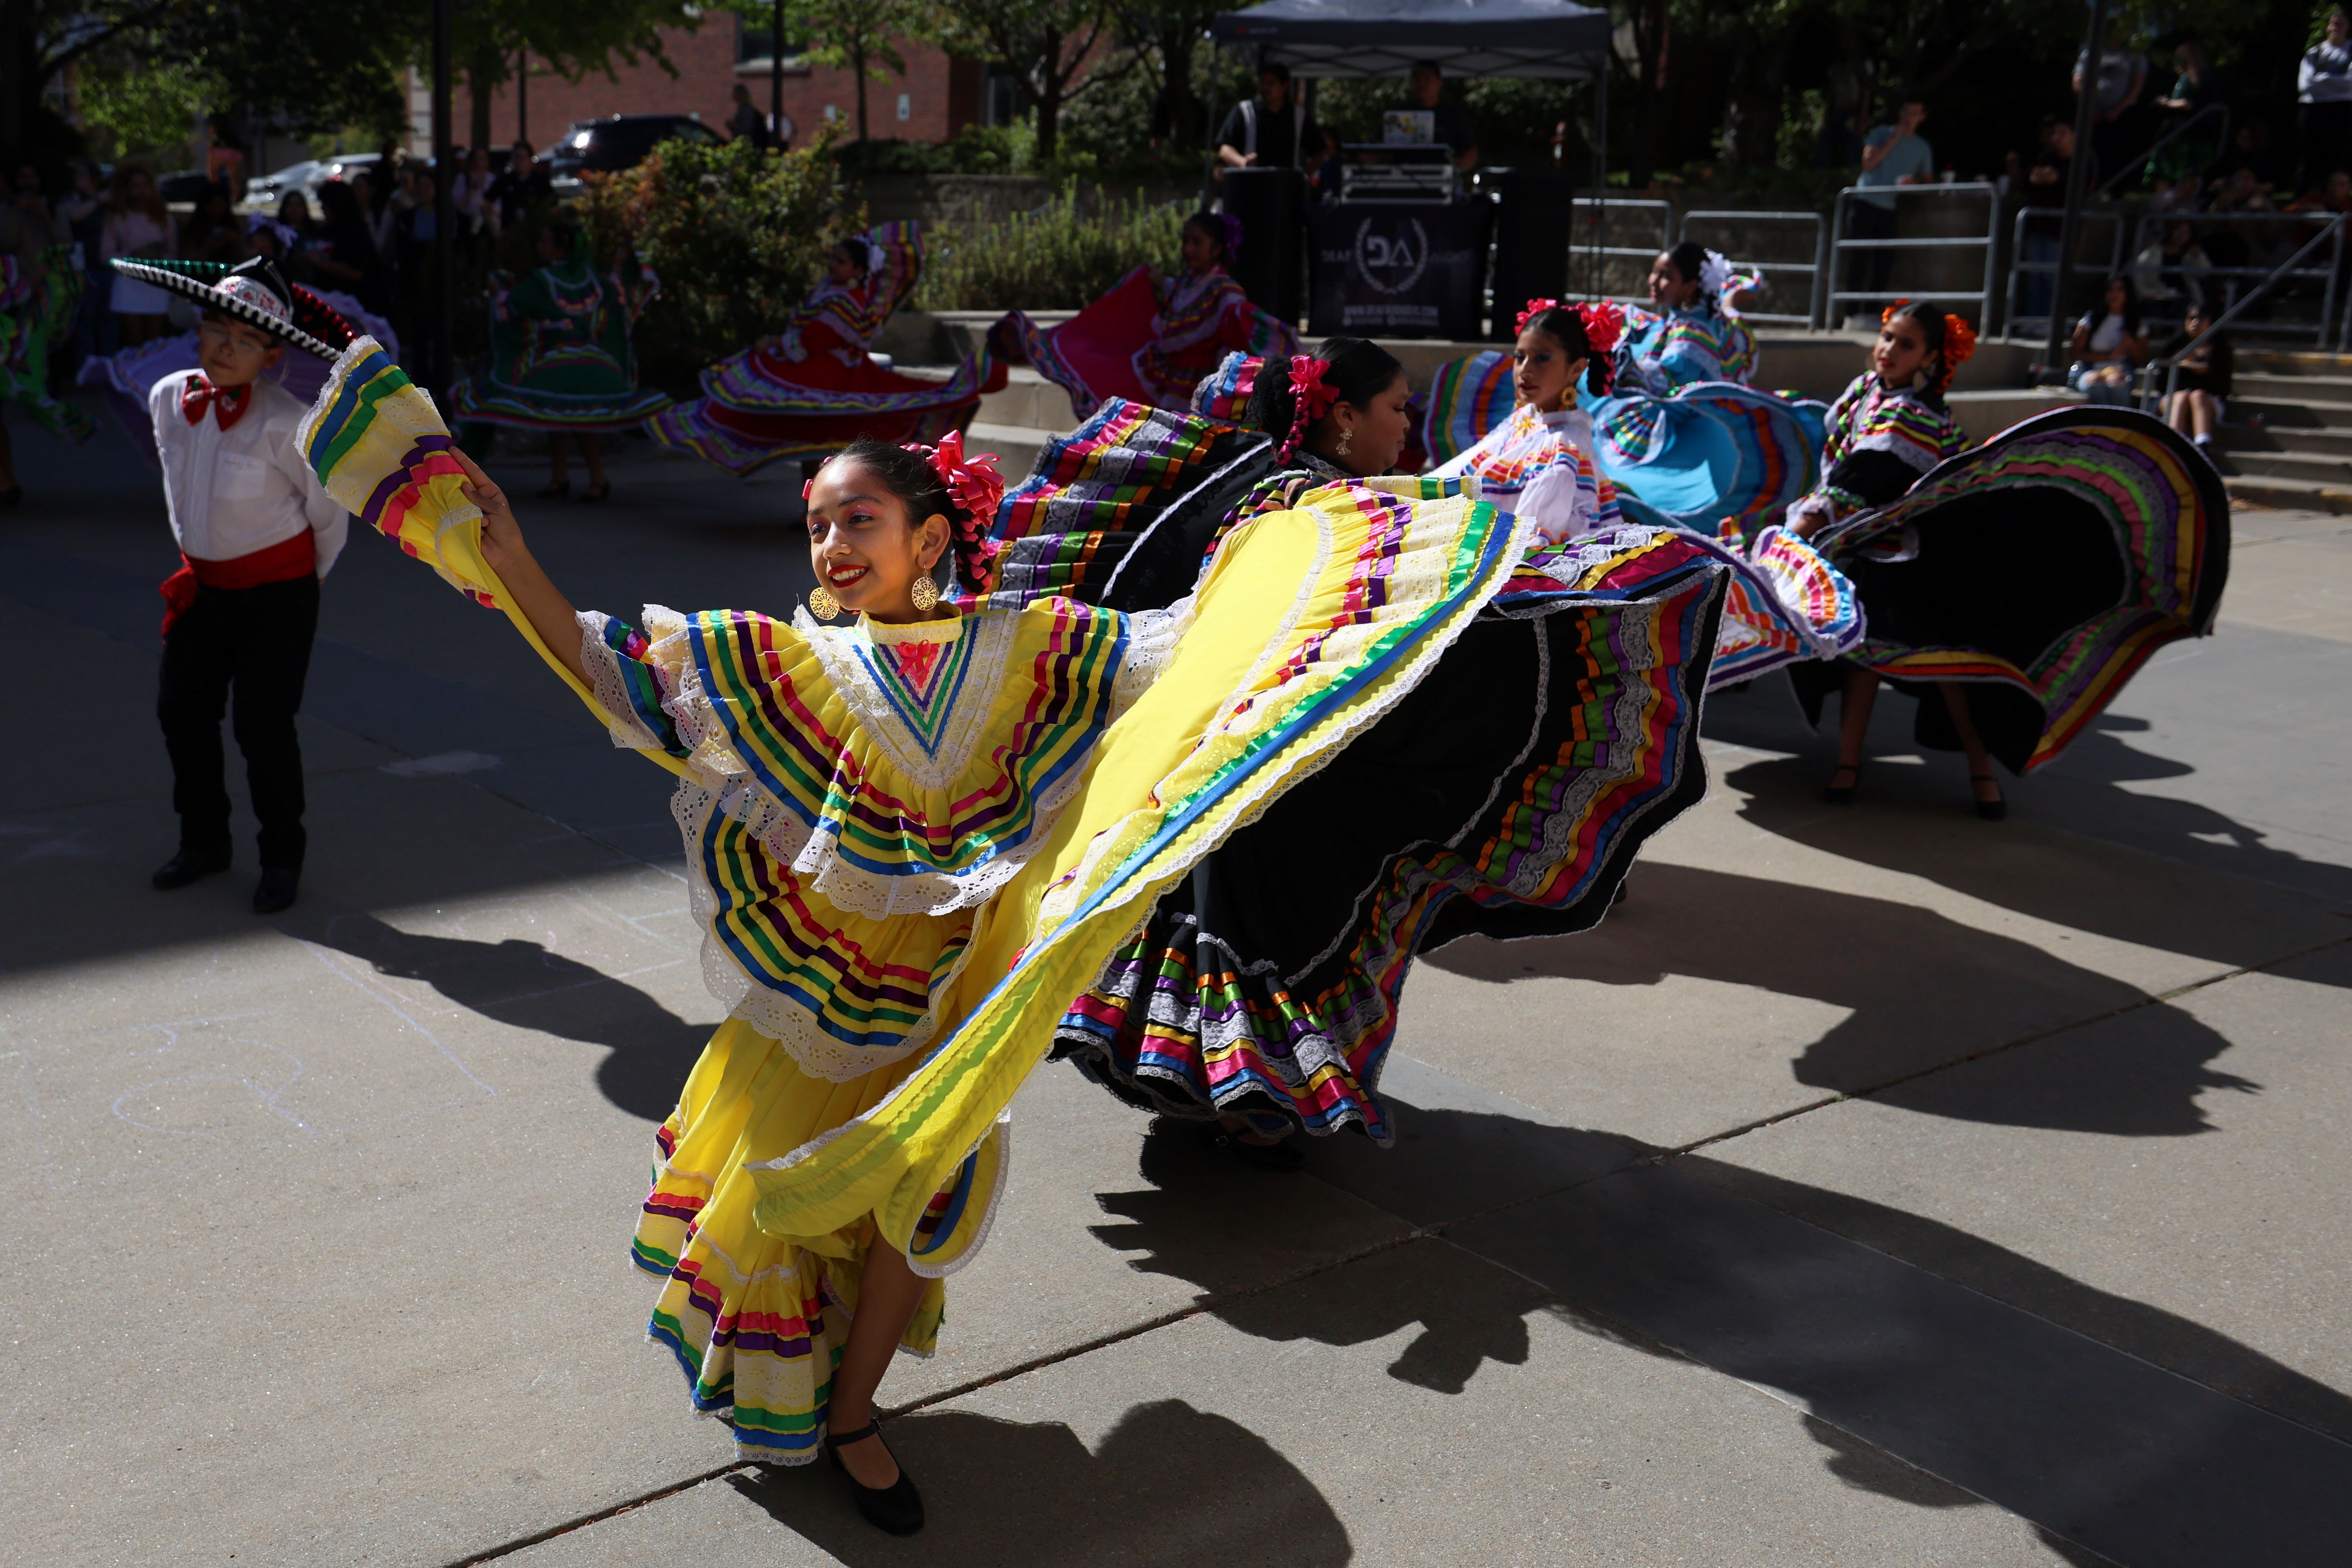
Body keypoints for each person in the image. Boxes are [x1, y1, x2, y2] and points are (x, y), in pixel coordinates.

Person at [298, 316, 1718, 1527]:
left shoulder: (1030, 646)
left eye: (857, 519)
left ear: (930, 535)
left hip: (964, 995)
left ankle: (856, 1411)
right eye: (815, 526)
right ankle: (798, 1405)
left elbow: (1191, 657)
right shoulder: (783, 663)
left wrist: (1319, 560)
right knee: (793, 1207)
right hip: (821, 1001)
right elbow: (612, 669)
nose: (831, 543)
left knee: (920, 1200)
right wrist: (505, 548)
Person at [1783, 302, 2226, 818]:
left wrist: (1803, 527)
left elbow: (1862, 475)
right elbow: (1843, 470)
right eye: (1886, 337)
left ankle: (1980, 772)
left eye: (1905, 344)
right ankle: (1848, 762)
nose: (1888, 350)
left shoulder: (1914, 414)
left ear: (1929, 356)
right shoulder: (1863, 394)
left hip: (1916, 560)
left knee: (1950, 668)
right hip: (1863, 551)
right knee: (1862, 659)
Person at [1427, 299, 1866, 689]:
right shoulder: (1526, 421)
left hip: (1527, 601)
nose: (1524, 370)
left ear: (1577, 369)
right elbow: (1460, 477)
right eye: (1520, 356)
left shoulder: (1563, 449)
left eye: (1542, 358)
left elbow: (1527, 536)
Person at [109, 254, 359, 913]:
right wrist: (199, 550)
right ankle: (203, 840)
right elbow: (178, 483)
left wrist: (309, 586)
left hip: (278, 596)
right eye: (217, 328)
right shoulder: (169, 396)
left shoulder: (289, 424)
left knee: (263, 725)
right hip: (203, 588)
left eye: (246, 339)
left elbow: (327, 517)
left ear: (271, 355)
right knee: (182, 713)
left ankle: (282, 855)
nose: (225, 347)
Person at [652, 224, 999, 475]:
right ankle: (812, 506)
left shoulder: (848, 299)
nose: (833, 265)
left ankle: (821, 506)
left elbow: (814, 339)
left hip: (831, 372)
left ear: (859, 271)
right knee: (804, 430)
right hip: (815, 367)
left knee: (815, 427)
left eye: (842, 261)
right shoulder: (831, 291)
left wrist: (775, 344)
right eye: (833, 258)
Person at [988, 210, 1297, 420]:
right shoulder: (1186, 283)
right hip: (1161, 375)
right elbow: (1169, 301)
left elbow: (1238, 320)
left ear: (1217, 249)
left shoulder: (1224, 291)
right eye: (1185, 241)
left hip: (1194, 385)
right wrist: (1150, 281)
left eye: (1196, 243)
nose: (1187, 249)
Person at [449, 216, 670, 500]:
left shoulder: (544, 281)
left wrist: (500, 286)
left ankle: (594, 479)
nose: (540, 247)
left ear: (556, 250)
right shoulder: (591, 278)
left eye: (544, 243)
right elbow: (615, 297)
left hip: (558, 359)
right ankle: (563, 477)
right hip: (594, 360)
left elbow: (514, 304)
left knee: (564, 413)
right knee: (563, 416)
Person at [0, 173, 93, 503]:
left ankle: (7, 483)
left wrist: (40, 213)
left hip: (28, 308)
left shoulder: (45, 212)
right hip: (18, 303)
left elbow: (63, 249)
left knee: (26, 383)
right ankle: (7, 483)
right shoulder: (11, 217)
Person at [1850, 97, 1932, 312]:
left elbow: (1928, 181)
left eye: (1914, 113)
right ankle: (1850, 312)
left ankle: (1871, 311)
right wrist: (1892, 141)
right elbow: (1868, 164)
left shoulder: (1922, 147)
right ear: (1900, 113)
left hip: (1889, 207)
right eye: (1906, 111)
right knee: (1858, 257)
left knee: (1884, 262)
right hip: (1865, 201)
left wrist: (1915, 183)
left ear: (1922, 117)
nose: (1909, 117)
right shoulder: (1882, 133)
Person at [101, 162, 176, 346]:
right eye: (135, 186)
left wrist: (157, 257)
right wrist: (132, 255)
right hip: (128, 283)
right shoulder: (117, 218)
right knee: (133, 339)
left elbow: (173, 254)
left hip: (157, 281)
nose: (141, 191)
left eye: (145, 185)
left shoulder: (164, 219)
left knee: (155, 341)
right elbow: (105, 256)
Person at [1214, 63, 1324, 176]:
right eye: (1262, 82)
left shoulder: (1299, 116)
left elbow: (1318, 152)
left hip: (1285, 189)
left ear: (1285, 86)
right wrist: (1243, 162)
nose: (1265, 87)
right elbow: (1225, 148)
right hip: (1250, 188)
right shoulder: (1244, 111)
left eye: (1271, 83)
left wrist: (1305, 178)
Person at [2075, 22, 2149, 180]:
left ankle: (2114, 188)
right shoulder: (2091, 52)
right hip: (2092, 112)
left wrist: (2119, 109)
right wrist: (2090, 108)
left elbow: (2137, 85)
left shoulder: (2133, 54)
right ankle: (2089, 184)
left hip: (2122, 112)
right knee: (2090, 149)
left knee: (2116, 150)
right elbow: (2078, 81)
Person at [2156, 301, 2232, 455]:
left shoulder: (2220, 349)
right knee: (2181, 397)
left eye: (2201, 318)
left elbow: (2224, 389)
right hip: (2174, 398)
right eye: (2191, 318)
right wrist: (2176, 364)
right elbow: (2160, 385)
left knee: (2198, 395)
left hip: (2207, 399)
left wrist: (2206, 372)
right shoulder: (2175, 346)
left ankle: (2203, 446)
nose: (2195, 323)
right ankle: (2173, 445)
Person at [2069, 274, 2146, 403]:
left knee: (2117, 381)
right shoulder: (2091, 320)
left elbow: (2141, 360)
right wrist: (2109, 356)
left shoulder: (2136, 323)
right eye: (2110, 289)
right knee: (2094, 381)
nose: (2114, 294)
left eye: (2120, 290)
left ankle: (2116, 421)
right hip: (2091, 369)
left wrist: (2131, 343)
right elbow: (2075, 353)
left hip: (2121, 370)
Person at [2300, 9, 2352, 196]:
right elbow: (2306, 85)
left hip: (2343, 111)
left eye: (2340, 24)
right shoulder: (2315, 53)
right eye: (2333, 24)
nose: (2335, 28)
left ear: (2348, 27)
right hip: (2314, 110)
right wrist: (2338, 82)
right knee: (2310, 158)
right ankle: (2304, 198)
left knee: (2339, 158)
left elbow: (2351, 83)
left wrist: (2321, 80)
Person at [1402, 61, 1477, 172]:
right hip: (1404, 177)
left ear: (1439, 82)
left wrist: (1458, 168)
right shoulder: (1401, 113)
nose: (1421, 85)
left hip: (1441, 178)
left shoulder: (1453, 115)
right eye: (1417, 81)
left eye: (1427, 80)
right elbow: (1379, 144)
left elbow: (1470, 150)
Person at [2131, 219, 2212, 318]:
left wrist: (2198, 257)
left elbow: (2204, 273)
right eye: (2179, 231)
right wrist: (2147, 293)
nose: (2182, 235)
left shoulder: (2191, 254)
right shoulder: (2153, 253)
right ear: (2171, 231)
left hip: (2185, 299)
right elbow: (2139, 277)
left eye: (2186, 232)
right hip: (2159, 298)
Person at [728, 83, 768, 148]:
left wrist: (734, 126)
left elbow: (746, 128)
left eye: (735, 94)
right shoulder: (742, 109)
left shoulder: (746, 110)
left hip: (746, 145)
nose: (733, 96)